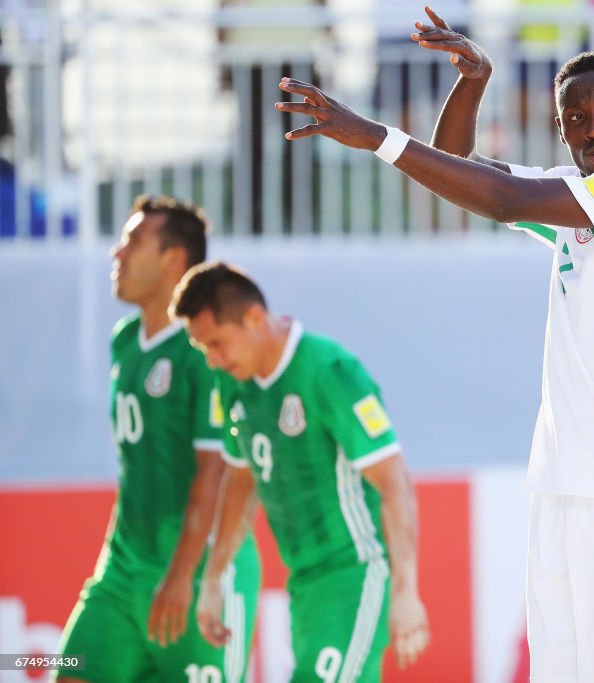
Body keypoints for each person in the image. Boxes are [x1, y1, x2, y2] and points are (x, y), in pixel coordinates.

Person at [277, 8, 594, 679]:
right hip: (559, 482)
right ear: (560, 127)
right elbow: (465, 175)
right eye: (577, 116)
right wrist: (473, 83)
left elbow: (501, 199)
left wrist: (374, 136)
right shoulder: (575, 194)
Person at [171, 262, 430, 682]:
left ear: (254, 318)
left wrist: (406, 593)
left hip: (356, 571)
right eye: (204, 350)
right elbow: (240, 480)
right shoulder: (233, 381)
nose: (213, 361)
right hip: (305, 583)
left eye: (217, 343)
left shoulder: (329, 370)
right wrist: (214, 578)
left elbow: (394, 482)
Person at [55, 197, 260, 683]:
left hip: (196, 575)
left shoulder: (206, 354)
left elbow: (214, 472)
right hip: (121, 575)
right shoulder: (124, 340)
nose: (117, 254)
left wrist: (179, 578)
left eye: (132, 241)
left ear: (173, 260)